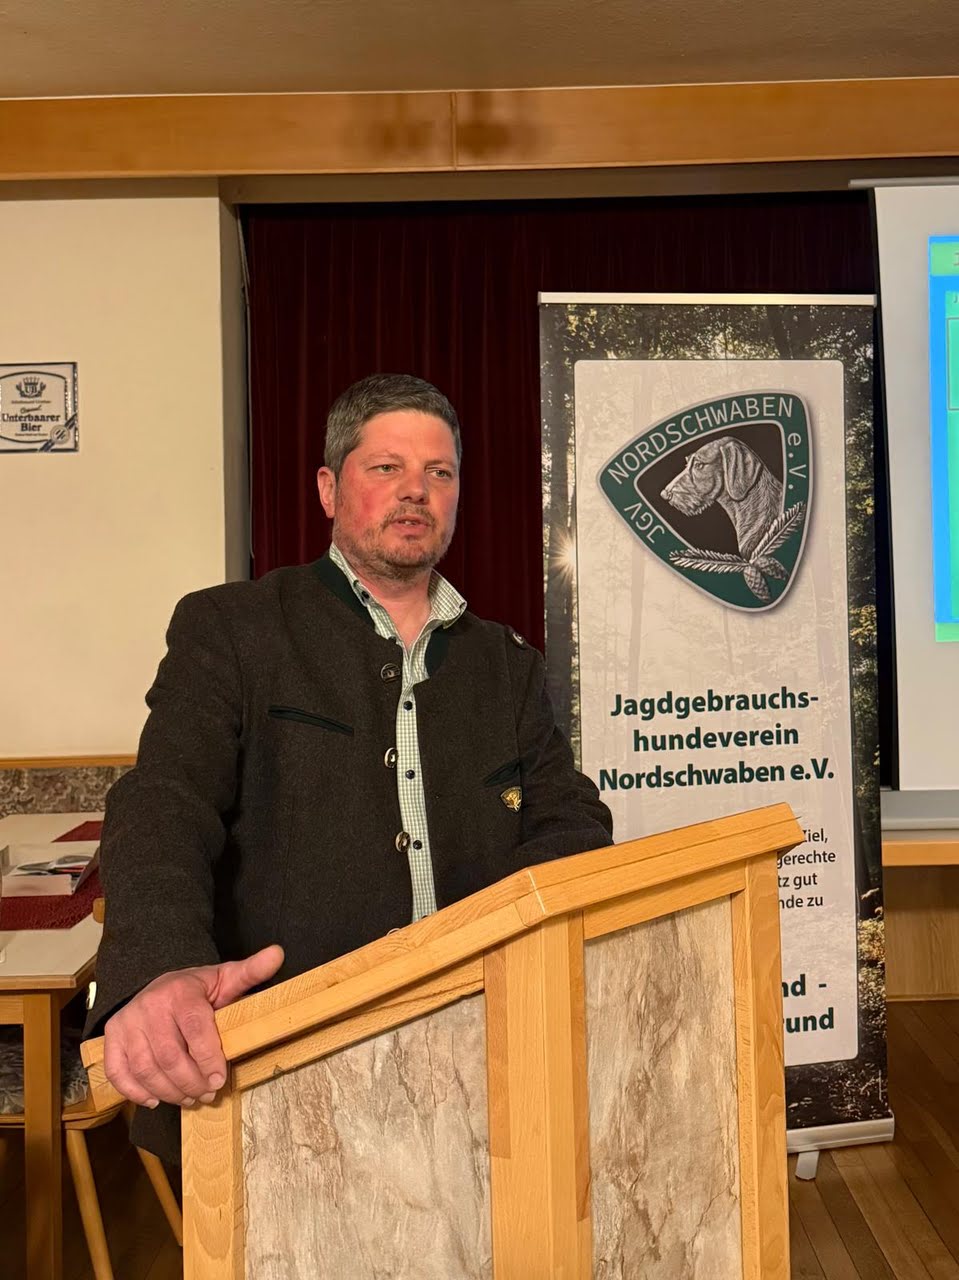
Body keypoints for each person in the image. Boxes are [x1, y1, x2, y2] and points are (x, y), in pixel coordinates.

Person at [85, 373, 613, 1162]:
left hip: (479, 1063)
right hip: (281, 1082)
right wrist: (161, 966)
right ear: (329, 489)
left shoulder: (507, 665)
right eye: (386, 467)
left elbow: (569, 820)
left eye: (439, 472)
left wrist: (493, 947)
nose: (416, 490)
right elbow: (164, 800)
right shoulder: (233, 629)